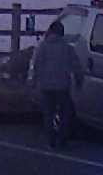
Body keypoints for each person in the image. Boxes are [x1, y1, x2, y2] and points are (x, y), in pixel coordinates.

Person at [31, 20, 84, 148]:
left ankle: (50, 140)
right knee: (64, 114)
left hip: (46, 85)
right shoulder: (67, 48)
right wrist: (78, 80)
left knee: (48, 114)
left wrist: (33, 81)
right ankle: (62, 138)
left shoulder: (42, 47)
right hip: (62, 85)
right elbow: (76, 66)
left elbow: (36, 65)